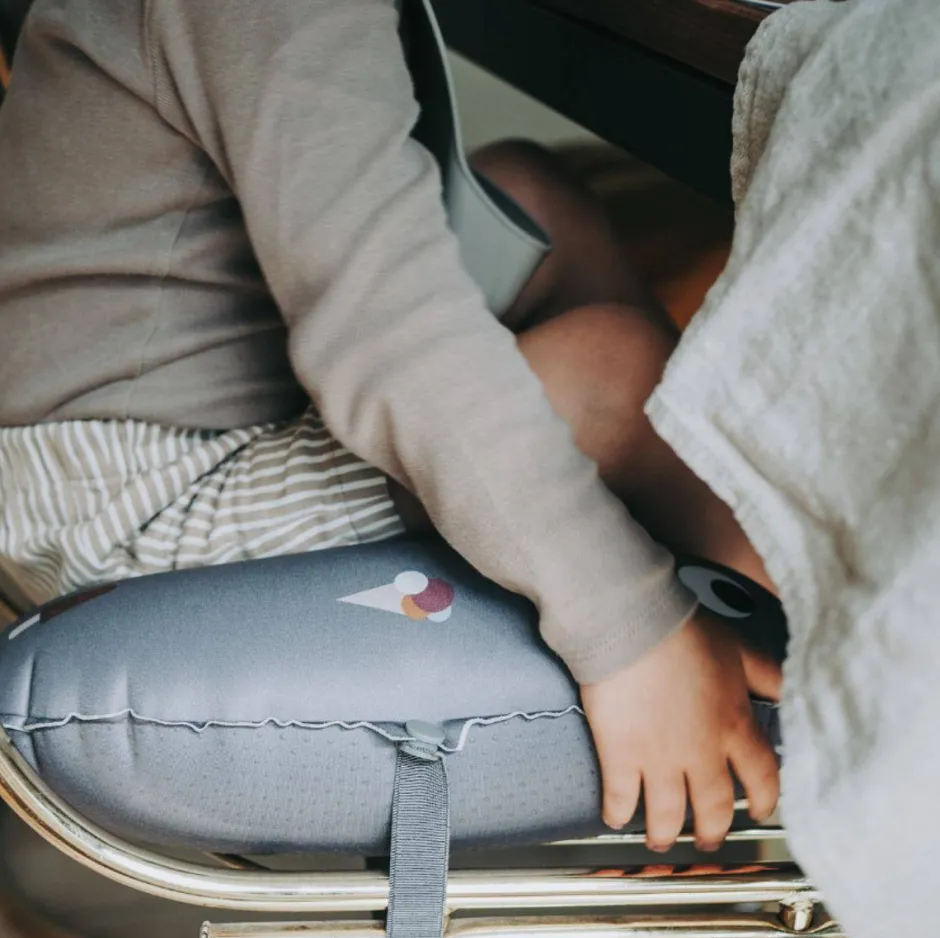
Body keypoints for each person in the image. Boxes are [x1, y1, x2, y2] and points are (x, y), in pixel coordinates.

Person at [0, 0, 780, 852]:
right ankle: (760, 729)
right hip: (127, 502)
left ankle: (727, 648)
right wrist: (628, 625)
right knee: (610, 375)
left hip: (114, 414)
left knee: (529, 198)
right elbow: (383, 336)